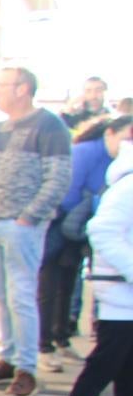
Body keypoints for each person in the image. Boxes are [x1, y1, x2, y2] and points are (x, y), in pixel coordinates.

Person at [0, 65, 73, 396]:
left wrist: (29, 217)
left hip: (21, 225)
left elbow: (58, 177)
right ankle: (10, 356)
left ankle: (26, 368)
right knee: (2, 296)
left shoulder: (49, 126)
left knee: (22, 296)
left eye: (3, 85)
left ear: (22, 88)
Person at [46, 144, 133, 396]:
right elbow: (102, 231)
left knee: (126, 370)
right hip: (120, 293)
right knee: (102, 369)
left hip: (123, 291)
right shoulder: (128, 186)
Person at [40, 116, 132, 372]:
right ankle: (44, 345)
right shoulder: (84, 152)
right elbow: (68, 192)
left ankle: (61, 338)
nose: (127, 144)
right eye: (124, 138)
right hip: (63, 225)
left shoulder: (116, 162)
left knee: (68, 286)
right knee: (49, 286)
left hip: (81, 228)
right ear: (109, 133)